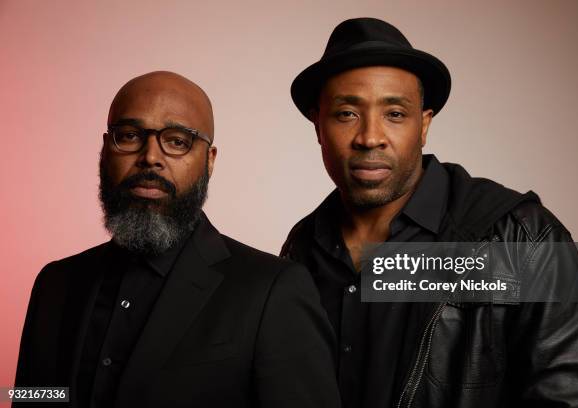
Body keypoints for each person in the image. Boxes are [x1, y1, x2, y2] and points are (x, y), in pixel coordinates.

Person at [282, 17, 578, 408]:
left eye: (395, 114)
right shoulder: (302, 247)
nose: (370, 137)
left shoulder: (523, 235)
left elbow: (575, 400)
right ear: (318, 126)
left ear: (424, 126)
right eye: (346, 114)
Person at [14, 71, 341, 408]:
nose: (150, 157)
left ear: (209, 161)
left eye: (177, 141)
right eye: (128, 135)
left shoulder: (274, 290)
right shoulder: (54, 284)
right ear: (105, 150)